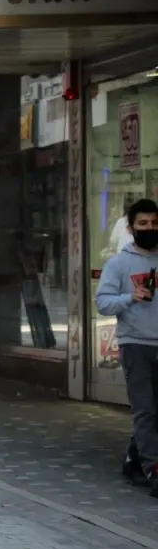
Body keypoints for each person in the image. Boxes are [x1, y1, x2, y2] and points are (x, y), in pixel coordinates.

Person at [96, 198, 158, 494]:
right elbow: (103, 303)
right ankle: (153, 469)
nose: (149, 229)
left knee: (153, 410)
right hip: (135, 344)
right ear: (131, 227)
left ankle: (136, 459)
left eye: (154, 224)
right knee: (145, 409)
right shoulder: (119, 263)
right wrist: (130, 298)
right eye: (143, 224)